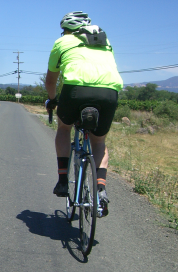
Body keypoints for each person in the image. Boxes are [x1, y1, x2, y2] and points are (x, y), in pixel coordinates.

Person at [45, 11, 123, 217]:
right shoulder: (105, 42)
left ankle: (63, 181)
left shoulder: (62, 43)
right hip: (109, 93)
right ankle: (100, 188)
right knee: (99, 143)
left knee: (64, 128)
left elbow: (51, 80)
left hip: (75, 90)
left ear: (66, 30)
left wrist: (52, 100)